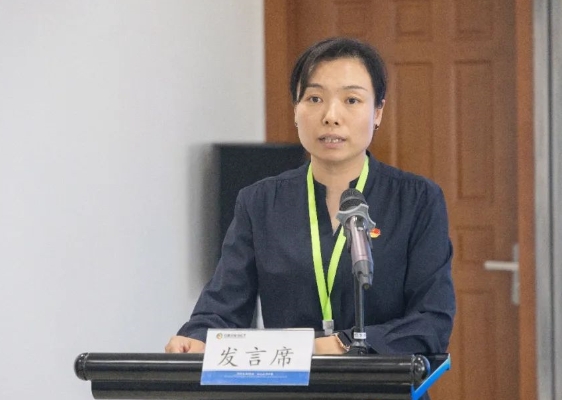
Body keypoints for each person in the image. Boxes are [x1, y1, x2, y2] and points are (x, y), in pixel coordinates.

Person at [165, 37, 455, 356]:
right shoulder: (260, 202)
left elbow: (432, 321)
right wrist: (196, 338)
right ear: (295, 109)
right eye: (314, 98)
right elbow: (222, 308)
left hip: (383, 381)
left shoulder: (417, 200)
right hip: (289, 379)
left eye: (352, 100)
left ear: (378, 112)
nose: (331, 115)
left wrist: (344, 344)